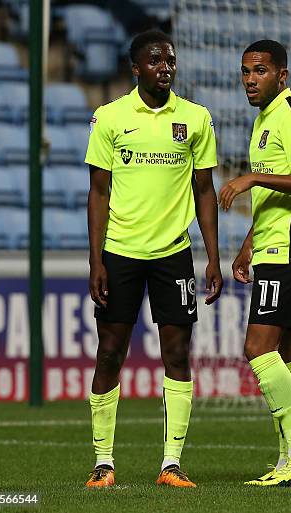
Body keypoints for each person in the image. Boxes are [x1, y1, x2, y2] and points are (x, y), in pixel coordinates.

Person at [84, 30, 222, 488]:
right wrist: (96, 260)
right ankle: (103, 462)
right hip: (120, 253)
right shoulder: (110, 118)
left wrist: (213, 258)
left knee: (178, 354)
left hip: (173, 255)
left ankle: (172, 464)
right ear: (136, 68)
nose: (165, 66)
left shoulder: (196, 119)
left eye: (170, 60)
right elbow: (98, 192)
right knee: (110, 352)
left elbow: (204, 190)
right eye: (155, 60)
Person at [218, 40, 291, 487]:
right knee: (283, 351)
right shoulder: (264, 121)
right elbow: (275, 199)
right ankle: (290, 456)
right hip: (273, 247)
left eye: (259, 71)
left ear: (281, 75)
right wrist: (249, 244)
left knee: (257, 349)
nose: (249, 80)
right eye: (245, 72)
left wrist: (251, 176)